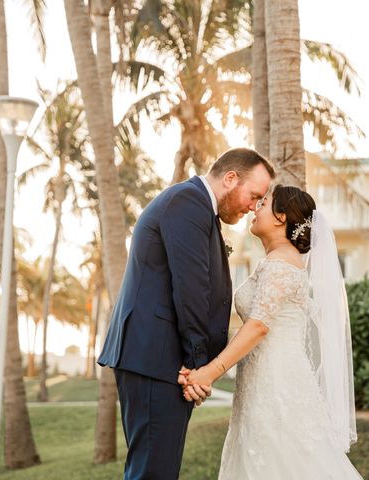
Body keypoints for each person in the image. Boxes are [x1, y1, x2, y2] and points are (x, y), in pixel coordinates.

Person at [97, 148, 274, 479]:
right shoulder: (188, 203)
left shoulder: (196, 207)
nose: (253, 207)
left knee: (153, 469)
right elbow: (191, 290)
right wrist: (198, 368)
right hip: (157, 359)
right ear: (230, 178)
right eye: (253, 196)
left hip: (159, 358)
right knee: (153, 472)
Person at [180, 184, 363, 479]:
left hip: (278, 383)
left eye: (263, 203)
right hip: (260, 381)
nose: (255, 207)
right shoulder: (275, 261)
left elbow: (258, 326)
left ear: (280, 217)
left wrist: (209, 373)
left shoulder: (282, 264)